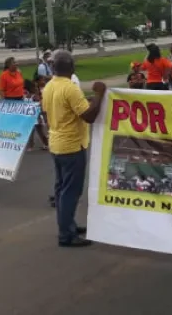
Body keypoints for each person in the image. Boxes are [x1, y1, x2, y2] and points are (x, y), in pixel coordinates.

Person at [41, 50, 106, 247]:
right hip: (71, 145)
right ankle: (66, 234)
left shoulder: (49, 86)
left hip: (56, 142)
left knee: (61, 189)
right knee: (70, 191)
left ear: (53, 67)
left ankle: (67, 224)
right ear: (72, 67)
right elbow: (89, 116)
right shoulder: (70, 88)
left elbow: (47, 112)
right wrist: (99, 95)